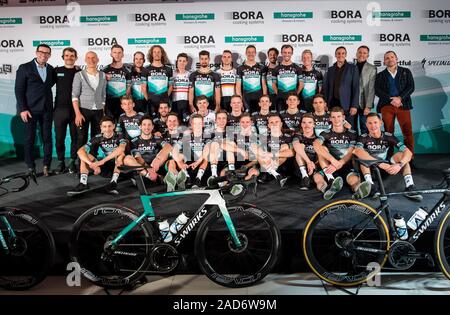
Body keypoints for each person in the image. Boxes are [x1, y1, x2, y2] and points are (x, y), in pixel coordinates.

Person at [353, 113, 422, 201]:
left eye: (375, 122)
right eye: (370, 123)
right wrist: (379, 163)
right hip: (370, 170)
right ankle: (371, 186)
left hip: (386, 169)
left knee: (401, 155)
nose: (373, 126)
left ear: (380, 123)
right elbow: (357, 151)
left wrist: (400, 165)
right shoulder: (363, 137)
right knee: (363, 158)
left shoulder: (388, 136)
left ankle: (410, 186)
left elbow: (408, 152)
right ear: (366, 124)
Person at [15, 44, 56, 175]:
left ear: (49, 55)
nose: (44, 55)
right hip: (30, 110)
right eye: (41, 52)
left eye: (47, 53)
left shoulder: (50, 69)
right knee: (29, 139)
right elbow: (19, 90)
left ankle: (46, 166)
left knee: (47, 138)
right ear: (36, 52)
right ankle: (30, 167)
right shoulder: (24, 68)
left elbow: (50, 84)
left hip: (47, 109)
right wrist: (23, 109)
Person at [313, 107, 371, 200]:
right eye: (334, 117)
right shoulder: (325, 133)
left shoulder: (352, 133)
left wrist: (340, 163)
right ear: (330, 119)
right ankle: (327, 187)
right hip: (329, 167)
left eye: (339, 116)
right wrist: (333, 161)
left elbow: (351, 152)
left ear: (343, 117)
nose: (336, 119)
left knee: (354, 181)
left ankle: (358, 190)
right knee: (318, 176)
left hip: (345, 164)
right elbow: (315, 145)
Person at [68, 116, 127, 195]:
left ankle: (113, 182)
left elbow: (121, 149)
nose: (107, 129)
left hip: (121, 167)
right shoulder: (97, 137)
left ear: (114, 126)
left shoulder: (120, 135)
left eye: (109, 126)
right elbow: (80, 151)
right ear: (101, 127)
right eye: (104, 126)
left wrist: (102, 161)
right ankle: (83, 183)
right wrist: (91, 164)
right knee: (85, 156)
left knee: (120, 155)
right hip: (106, 167)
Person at [375, 50, 416, 163]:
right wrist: (391, 99)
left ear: (396, 59)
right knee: (388, 133)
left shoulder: (406, 72)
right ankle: (389, 157)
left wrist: (400, 98)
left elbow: (411, 87)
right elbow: (377, 91)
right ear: (384, 61)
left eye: (392, 57)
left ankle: (409, 158)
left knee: (407, 132)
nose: (390, 59)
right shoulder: (380, 75)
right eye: (387, 58)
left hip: (403, 105)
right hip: (387, 106)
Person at [72, 51, 107, 155]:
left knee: (96, 137)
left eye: (93, 57)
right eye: (88, 57)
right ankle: (81, 164)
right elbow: (74, 96)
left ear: (97, 59)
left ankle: (93, 159)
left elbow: (103, 94)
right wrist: (77, 114)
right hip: (83, 110)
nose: (91, 60)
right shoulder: (79, 75)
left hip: (98, 111)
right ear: (85, 60)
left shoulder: (103, 75)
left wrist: (103, 111)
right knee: (81, 137)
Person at [53, 47, 80, 174]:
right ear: (63, 57)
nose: (69, 57)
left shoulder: (80, 72)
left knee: (75, 138)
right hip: (59, 110)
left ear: (76, 58)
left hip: (76, 111)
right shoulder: (56, 71)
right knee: (59, 138)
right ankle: (60, 162)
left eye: (72, 55)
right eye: (67, 55)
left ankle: (72, 162)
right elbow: (44, 86)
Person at [124, 114, 171, 183]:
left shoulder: (157, 138)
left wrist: (157, 159)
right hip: (142, 170)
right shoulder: (134, 141)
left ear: (152, 127)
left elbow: (168, 147)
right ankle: (151, 176)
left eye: (149, 125)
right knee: (127, 158)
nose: (147, 127)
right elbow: (138, 158)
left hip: (155, 167)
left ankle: (155, 176)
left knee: (165, 152)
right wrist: (148, 169)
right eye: (144, 124)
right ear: (140, 126)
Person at [169, 114, 211, 189]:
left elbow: (207, 149)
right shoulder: (186, 137)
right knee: (177, 156)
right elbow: (174, 150)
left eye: (199, 123)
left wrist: (198, 161)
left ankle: (198, 179)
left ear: (202, 124)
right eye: (195, 123)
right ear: (192, 124)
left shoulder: (206, 136)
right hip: (188, 165)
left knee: (206, 156)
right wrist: (180, 163)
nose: (197, 126)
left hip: (201, 166)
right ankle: (187, 178)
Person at [322, 46, 360, 130]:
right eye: (338, 53)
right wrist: (325, 103)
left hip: (347, 105)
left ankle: (352, 142)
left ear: (346, 55)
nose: (340, 55)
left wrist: (354, 105)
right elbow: (326, 87)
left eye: (343, 53)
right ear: (335, 55)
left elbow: (356, 88)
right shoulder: (330, 69)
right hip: (332, 103)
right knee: (334, 126)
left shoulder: (352, 68)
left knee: (349, 127)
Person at [292, 113, 328, 191]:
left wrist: (314, 165)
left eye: (310, 122)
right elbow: (296, 146)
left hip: (315, 167)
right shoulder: (298, 136)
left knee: (319, 179)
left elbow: (323, 156)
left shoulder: (319, 139)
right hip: (302, 167)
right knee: (300, 147)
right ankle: (305, 177)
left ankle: (326, 190)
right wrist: (309, 162)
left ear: (314, 125)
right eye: (304, 122)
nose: (306, 125)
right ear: (301, 124)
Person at [255, 113, 292, 187]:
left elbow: (291, 153)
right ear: (268, 125)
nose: (274, 124)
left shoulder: (288, 137)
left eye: (276, 122)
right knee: (257, 149)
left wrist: (271, 154)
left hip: (284, 166)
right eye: (271, 122)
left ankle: (270, 172)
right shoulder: (263, 137)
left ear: (281, 124)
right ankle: (275, 174)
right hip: (267, 162)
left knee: (285, 148)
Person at [236, 45, 267, 113]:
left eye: (253, 52)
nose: (251, 54)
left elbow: (264, 84)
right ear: (246, 53)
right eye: (249, 52)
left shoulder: (261, 67)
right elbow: (238, 86)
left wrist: (265, 99)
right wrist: (240, 101)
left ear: (255, 53)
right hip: (246, 99)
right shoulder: (240, 68)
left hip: (259, 98)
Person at [272, 44, 303, 112]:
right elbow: (273, 84)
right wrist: (279, 94)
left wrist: (295, 95)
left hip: (293, 100)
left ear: (292, 53)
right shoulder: (276, 68)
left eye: (289, 52)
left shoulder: (297, 68)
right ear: (281, 53)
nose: (287, 54)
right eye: (285, 52)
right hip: (280, 99)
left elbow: (301, 84)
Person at [103, 44, 130, 121]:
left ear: (123, 54)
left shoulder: (127, 70)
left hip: (122, 104)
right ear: (111, 54)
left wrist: (125, 102)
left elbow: (128, 88)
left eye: (119, 52)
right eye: (115, 52)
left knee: (121, 126)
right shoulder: (105, 70)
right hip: (109, 103)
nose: (117, 55)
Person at [145, 45, 173, 114]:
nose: (156, 54)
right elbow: (143, 87)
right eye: (154, 52)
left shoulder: (168, 69)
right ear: (151, 54)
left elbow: (171, 86)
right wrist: (149, 100)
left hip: (164, 103)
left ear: (162, 54)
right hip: (151, 102)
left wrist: (166, 98)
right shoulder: (146, 69)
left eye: (158, 52)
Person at [355, 45, 377, 134]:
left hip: (364, 104)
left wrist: (368, 106)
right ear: (356, 53)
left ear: (367, 55)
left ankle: (364, 147)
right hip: (352, 104)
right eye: (360, 52)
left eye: (364, 53)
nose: (362, 54)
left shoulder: (372, 68)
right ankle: (355, 147)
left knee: (365, 128)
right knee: (352, 128)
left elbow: (372, 88)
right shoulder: (350, 67)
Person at [171, 53, 191, 122]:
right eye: (180, 61)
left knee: (186, 123)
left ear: (186, 62)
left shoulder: (190, 74)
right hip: (175, 102)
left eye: (184, 61)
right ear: (177, 62)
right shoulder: (172, 74)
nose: (182, 63)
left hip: (186, 102)